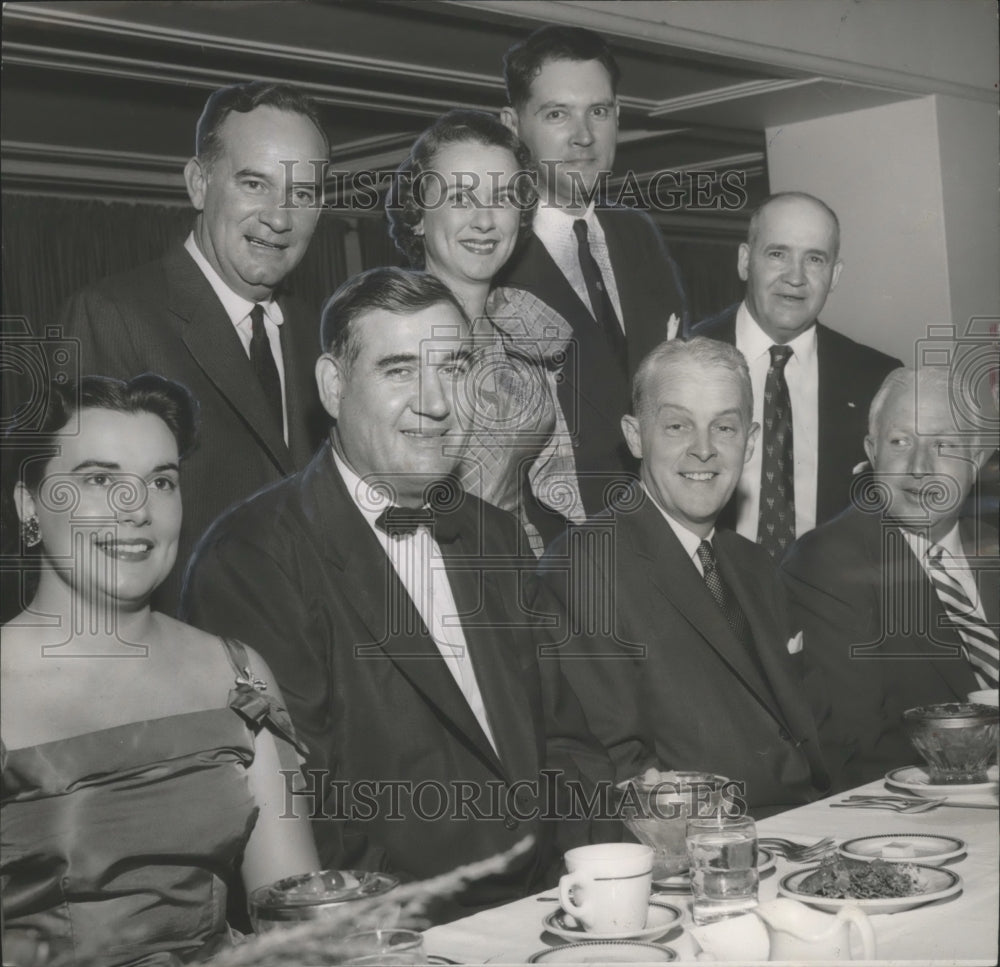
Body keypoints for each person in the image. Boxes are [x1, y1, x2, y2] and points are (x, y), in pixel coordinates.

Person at [181, 267, 616, 922]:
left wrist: (588, 885)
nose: (436, 402)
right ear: (333, 386)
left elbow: (567, 740)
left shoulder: (494, 533)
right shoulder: (253, 558)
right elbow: (305, 819)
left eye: (452, 368)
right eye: (398, 369)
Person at [1, 375, 318, 966]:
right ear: (28, 503)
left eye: (161, 482)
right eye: (99, 479)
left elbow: (298, 923)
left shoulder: (240, 676)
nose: (138, 508)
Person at [56, 81, 330, 614]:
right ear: (199, 184)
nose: (279, 217)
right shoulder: (114, 316)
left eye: (302, 193)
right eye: (255, 184)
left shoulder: (325, 332)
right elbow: (91, 536)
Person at [536, 338, 830, 817]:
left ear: (751, 441)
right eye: (677, 426)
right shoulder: (585, 566)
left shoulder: (752, 564)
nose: (703, 450)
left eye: (725, 428)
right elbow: (618, 769)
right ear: (635, 436)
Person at [497, 25, 687, 522]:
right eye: (557, 113)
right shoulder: (492, 253)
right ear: (513, 126)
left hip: (665, 527)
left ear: (618, 117)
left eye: (598, 112)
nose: (583, 136)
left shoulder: (638, 235)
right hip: (561, 554)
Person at [780, 366, 998, 790]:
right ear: (872, 451)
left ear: (976, 459)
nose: (919, 467)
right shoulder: (828, 563)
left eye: (943, 445)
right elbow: (855, 750)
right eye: (900, 442)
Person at [386, 108, 584, 552]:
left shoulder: (528, 329)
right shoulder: (390, 332)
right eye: (460, 198)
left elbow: (563, 491)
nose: (484, 220)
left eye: (502, 198)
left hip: (517, 577)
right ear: (418, 215)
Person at [693, 192, 902, 558]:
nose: (795, 277)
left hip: (831, 602)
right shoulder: (681, 359)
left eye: (815, 259)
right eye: (777, 254)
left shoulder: (877, 378)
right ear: (745, 262)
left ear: (835, 275)